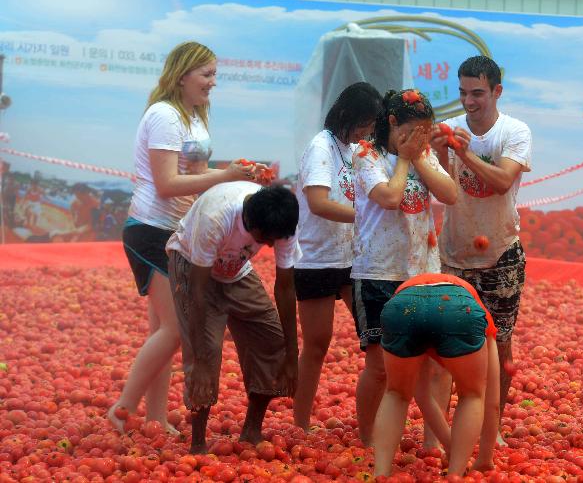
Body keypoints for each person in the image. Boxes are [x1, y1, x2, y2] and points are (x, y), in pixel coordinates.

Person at [108, 41, 257, 434]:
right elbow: (167, 183)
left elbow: (196, 179)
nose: (212, 83)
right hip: (150, 229)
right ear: (182, 75)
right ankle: (122, 408)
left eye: (214, 75)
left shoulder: (195, 117)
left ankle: (155, 417)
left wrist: (234, 176)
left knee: (163, 330)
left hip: (177, 230)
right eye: (206, 75)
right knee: (176, 330)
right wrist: (226, 176)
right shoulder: (164, 116)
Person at [431, 55, 531, 445]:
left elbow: (504, 181)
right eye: (462, 93)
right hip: (453, 253)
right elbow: (443, 183)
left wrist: (465, 152)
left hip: (501, 253)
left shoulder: (514, 131)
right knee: (444, 345)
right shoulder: (449, 129)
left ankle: (493, 428)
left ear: (496, 92)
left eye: (477, 93)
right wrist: (442, 151)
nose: (469, 102)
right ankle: (439, 432)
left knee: (499, 344)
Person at [350, 88, 457, 445]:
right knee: (380, 368)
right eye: (416, 130)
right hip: (378, 273)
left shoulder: (422, 152)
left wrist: (418, 155)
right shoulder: (367, 154)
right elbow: (391, 198)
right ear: (393, 123)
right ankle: (368, 439)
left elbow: (450, 194)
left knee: (437, 364)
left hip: (423, 272)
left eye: (428, 130)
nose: (423, 137)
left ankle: (432, 442)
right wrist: (405, 159)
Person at [165, 183, 300, 453]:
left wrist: (292, 355)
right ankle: (198, 445)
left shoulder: (281, 222)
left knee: (271, 340)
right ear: (250, 223)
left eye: (276, 239)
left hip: (235, 271)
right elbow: (198, 292)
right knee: (207, 349)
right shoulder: (216, 218)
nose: (272, 245)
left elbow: (285, 287)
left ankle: (251, 430)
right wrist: (201, 359)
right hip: (193, 268)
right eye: (266, 239)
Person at [292, 81, 382, 431]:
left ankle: (372, 422)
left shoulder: (355, 148)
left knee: (374, 337)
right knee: (316, 345)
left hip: (351, 259)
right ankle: (300, 422)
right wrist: (366, 216)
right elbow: (318, 203)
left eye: (372, 126)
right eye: (363, 124)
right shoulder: (321, 148)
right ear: (346, 116)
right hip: (316, 258)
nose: (367, 132)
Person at [373, 273, 500, 477]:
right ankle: (455, 474)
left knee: (396, 394)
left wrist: (450, 445)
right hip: (458, 309)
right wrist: (484, 458)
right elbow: (492, 402)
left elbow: (421, 396)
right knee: (472, 395)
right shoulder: (483, 317)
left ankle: (381, 473)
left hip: (403, 307)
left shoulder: (416, 294)